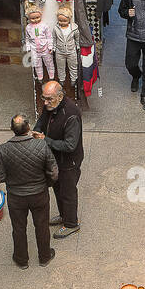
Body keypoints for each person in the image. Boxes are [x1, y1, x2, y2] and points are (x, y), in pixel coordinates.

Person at [0, 113, 57, 269]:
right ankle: (44, 257)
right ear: (28, 128)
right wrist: (44, 184)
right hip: (39, 194)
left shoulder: (4, 149)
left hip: (16, 197)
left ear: (11, 129)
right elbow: (54, 173)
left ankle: (21, 260)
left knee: (19, 228)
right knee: (42, 226)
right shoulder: (41, 145)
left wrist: (13, 181)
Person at [34, 80, 84, 238]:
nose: (46, 102)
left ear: (60, 97)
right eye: (44, 98)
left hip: (69, 161)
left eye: (49, 99)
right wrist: (36, 130)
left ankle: (71, 223)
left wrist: (45, 140)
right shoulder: (50, 106)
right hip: (54, 159)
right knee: (57, 189)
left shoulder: (71, 114)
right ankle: (64, 216)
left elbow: (70, 145)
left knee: (68, 192)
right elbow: (42, 120)